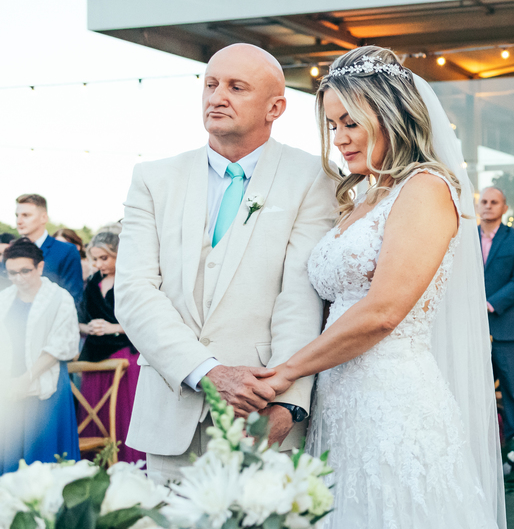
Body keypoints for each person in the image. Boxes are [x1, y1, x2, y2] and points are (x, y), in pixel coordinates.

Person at [258, 46, 514, 529]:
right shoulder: (361, 198)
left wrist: (285, 372)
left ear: (390, 113)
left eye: (350, 122)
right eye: (332, 126)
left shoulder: (427, 189)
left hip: (394, 402)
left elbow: (383, 311)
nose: (340, 140)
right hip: (338, 404)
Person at [115, 44, 338, 483]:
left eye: (237, 87)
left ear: (276, 107)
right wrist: (207, 372)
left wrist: (286, 405)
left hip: (262, 417)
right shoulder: (153, 178)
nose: (217, 97)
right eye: (211, 85)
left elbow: (300, 298)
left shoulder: (314, 177)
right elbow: (136, 293)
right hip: (171, 413)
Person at [1, 238, 81, 473]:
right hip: (7, 386)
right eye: (12, 273)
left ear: (40, 267)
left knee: (45, 456)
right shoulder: (4, 299)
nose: (19, 278)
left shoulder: (60, 298)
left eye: (25, 271)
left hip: (47, 385)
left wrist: (26, 379)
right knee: (9, 453)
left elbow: (61, 346)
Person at [76, 231, 144, 464]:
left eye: (104, 258)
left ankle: (128, 466)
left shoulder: (132, 280)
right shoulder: (93, 282)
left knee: (123, 416)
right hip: (94, 357)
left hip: (125, 355)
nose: (98, 264)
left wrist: (113, 328)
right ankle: (99, 468)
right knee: (96, 416)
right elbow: (81, 320)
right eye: (95, 259)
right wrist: (88, 329)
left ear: (118, 254)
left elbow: (143, 321)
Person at [478, 186, 514, 439]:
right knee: (475, 392)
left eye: (494, 201)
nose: (488, 205)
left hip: (508, 327)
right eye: (484, 201)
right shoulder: (464, 236)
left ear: (504, 208)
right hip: (472, 328)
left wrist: (489, 304)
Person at [14, 194, 84, 305]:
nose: (19, 221)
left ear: (44, 217)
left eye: (26, 215)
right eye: (17, 215)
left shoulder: (66, 251)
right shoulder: (11, 251)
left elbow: (74, 298)